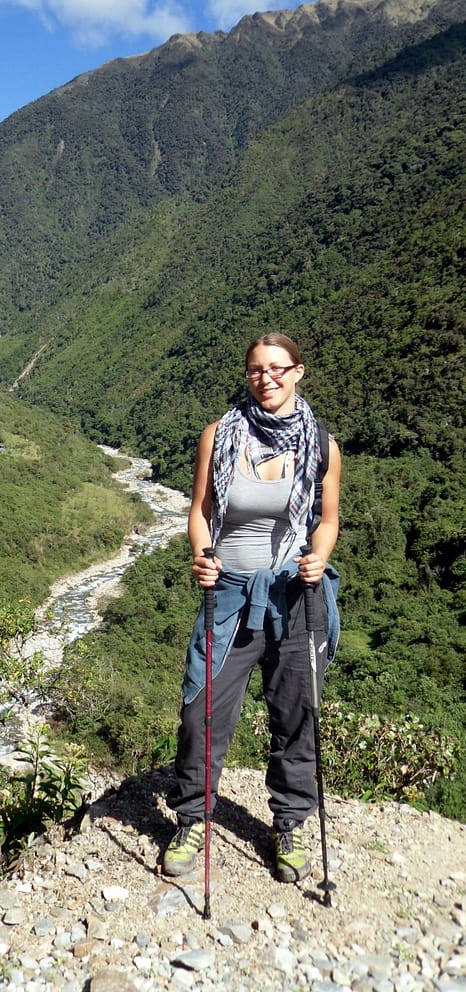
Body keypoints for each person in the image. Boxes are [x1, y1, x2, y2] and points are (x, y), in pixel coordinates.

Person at [163, 332, 341, 883]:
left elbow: (327, 519)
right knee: (203, 711)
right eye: (257, 370)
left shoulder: (321, 446)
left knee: (297, 714)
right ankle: (192, 819)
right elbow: (201, 510)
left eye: (278, 368)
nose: (267, 378)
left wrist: (319, 556)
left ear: (298, 372)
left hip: (294, 594)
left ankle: (289, 824)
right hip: (230, 592)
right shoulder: (219, 436)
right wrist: (202, 555)